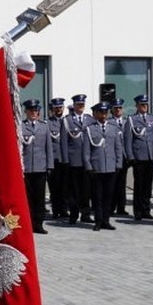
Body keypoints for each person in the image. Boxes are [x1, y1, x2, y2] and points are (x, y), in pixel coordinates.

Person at [83, 102, 123, 231]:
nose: (104, 115)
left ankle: (106, 220)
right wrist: (88, 165)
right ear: (96, 114)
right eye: (101, 112)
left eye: (106, 112)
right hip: (97, 167)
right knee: (97, 196)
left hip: (111, 167)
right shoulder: (89, 129)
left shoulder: (113, 128)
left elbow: (118, 148)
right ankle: (98, 221)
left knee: (109, 196)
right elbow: (86, 150)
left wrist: (118, 164)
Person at [61, 94, 95, 224]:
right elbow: (63, 142)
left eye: (82, 105)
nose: (80, 107)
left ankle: (85, 214)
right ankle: (74, 214)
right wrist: (65, 160)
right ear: (74, 106)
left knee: (86, 189)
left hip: (87, 161)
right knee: (73, 190)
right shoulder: (67, 120)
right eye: (78, 105)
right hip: (73, 160)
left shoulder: (89, 120)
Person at [21, 99, 54, 234]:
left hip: (40, 167)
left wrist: (50, 165)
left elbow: (49, 148)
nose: (34, 113)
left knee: (40, 198)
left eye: (36, 111)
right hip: (27, 168)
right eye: (31, 110)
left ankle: (38, 224)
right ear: (26, 112)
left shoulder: (44, 126)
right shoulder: (21, 126)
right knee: (28, 198)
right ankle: (28, 224)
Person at [125, 94, 153, 221]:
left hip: (150, 156)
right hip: (138, 157)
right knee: (139, 186)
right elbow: (128, 140)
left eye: (146, 105)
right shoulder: (132, 120)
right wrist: (130, 156)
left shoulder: (152, 119)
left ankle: (146, 210)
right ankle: (138, 211)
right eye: (142, 105)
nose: (144, 107)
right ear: (137, 106)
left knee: (148, 186)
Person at [46, 97, 69, 219]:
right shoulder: (48, 123)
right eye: (56, 108)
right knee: (54, 187)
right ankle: (55, 210)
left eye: (60, 108)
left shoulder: (67, 122)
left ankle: (64, 209)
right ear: (53, 109)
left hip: (65, 160)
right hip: (54, 160)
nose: (58, 110)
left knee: (65, 187)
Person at [108, 98, 129, 216]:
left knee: (122, 184)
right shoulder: (109, 122)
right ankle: (111, 207)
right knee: (112, 184)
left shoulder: (127, 122)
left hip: (124, 156)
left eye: (120, 108)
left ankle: (121, 207)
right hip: (113, 157)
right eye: (116, 108)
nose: (118, 110)